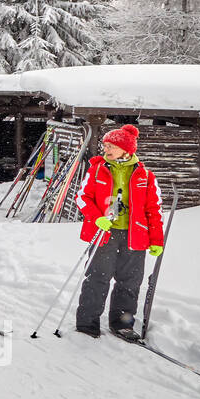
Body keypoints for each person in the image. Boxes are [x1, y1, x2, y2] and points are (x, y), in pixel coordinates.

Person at [73, 125, 165, 339]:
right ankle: (87, 323)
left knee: (130, 282)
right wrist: (97, 217)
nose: (106, 149)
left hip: (135, 236)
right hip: (105, 233)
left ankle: (122, 324)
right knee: (97, 278)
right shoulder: (97, 170)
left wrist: (156, 240)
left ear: (126, 149)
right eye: (105, 145)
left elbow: (154, 209)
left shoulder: (146, 176)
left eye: (111, 146)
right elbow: (82, 198)